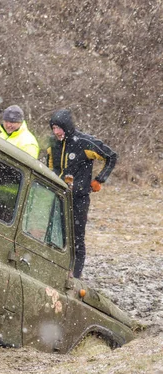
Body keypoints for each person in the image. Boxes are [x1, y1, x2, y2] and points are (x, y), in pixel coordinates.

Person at [47, 109, 117, 279]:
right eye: (54, 128)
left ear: (67, 127)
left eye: (59, 128)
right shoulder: (52, 145)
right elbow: (49, 169)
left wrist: (99, 180)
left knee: (77, 236)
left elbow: (111, 156)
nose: (56, 132)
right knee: (53, 233)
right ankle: (54, 268)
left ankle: (76, 274)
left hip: (79, 198)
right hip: (59, 196)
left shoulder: (84, 143)